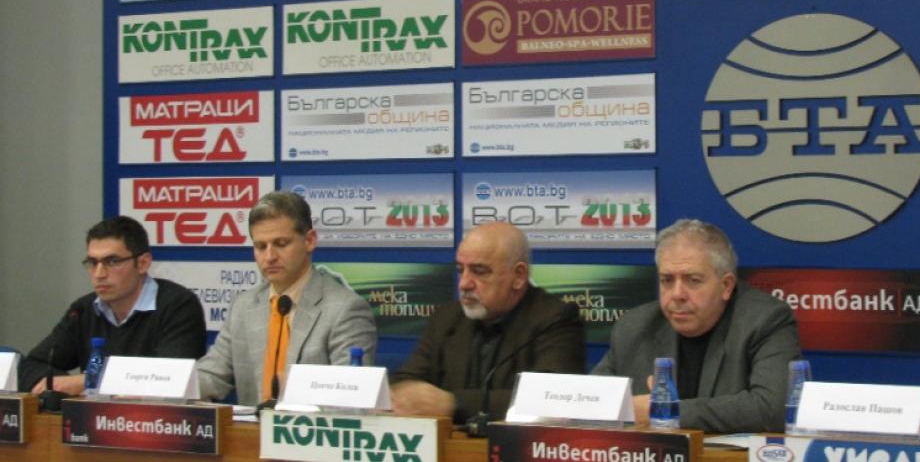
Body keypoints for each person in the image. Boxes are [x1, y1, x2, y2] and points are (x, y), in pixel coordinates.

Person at [593, 218, 800, 433]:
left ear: (726, 286)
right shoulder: (635, 326)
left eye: (693, 280)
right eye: (667, 280)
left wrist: (665, 411)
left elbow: (773, 409)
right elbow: (591, 401)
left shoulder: (764, 320)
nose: (677, 294)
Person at [390, 222, 585, 423]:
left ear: (518, 276)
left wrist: (454, 403)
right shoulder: (447, 318)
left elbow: (550, 400)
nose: (464, 283)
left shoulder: (555, 319)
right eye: (460, 270)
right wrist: (409, 397)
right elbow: (404, 383)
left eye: (479, 271)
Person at [196, 190, 376, 406]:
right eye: (260, 247)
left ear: (309, 241)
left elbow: (349, 397)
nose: (269, 256)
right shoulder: (244, 306)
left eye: (281, 244)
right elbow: (212, 374)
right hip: (250, 427)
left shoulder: (345, 309)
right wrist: (169, 387)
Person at [18, 216, 206, 394]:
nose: (99, 274)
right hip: (93, 416)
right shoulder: (83, 309)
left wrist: (88, 381)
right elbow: (31, 367)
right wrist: (63, 385)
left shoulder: (178, 306)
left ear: (143, 263)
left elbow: (171, 379)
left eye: (112, 261)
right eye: (93, 263)